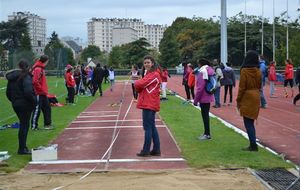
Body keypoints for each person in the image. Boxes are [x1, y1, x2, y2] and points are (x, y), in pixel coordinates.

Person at [6, 60, 36, 154]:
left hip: (16, 104)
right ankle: (22, 148)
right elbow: (28, 92)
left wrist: (14, 101)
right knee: (24, 125)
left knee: (23, 124)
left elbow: (8, 93)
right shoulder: (26, 76)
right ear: (27, 67)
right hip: (25, 104)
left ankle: (22, 147)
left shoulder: (12, 78)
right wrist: (34, 101)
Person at [134, 55, 161, 157]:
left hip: (149, 104)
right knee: (152, 127)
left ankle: (146, 150)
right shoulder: (149, 74)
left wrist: (137, 82)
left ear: (152, 63)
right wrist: (139, 84)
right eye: (145, 63)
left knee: (147, 127)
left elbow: (139, 85)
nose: (146, 64)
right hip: (149, 103)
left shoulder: (154, 75)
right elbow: (141, 87)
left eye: (148, 62)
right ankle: (156, 149)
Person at [236, 50, 261, 152]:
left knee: (248, 123)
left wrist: (238, 99)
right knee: (251, 121)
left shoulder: (244, 71)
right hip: (256, 95)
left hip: (247, 96)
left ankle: (253, 145)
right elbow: (260, 86)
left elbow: (242, 87)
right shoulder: (258, 71)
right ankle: (253, 144)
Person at [193, 59, 215, 140]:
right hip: (209, 94)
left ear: (200, 64)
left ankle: (207, 134)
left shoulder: (202, 71)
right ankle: (207, 133)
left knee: (205, 116)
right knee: (206, 115)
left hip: (203, 97)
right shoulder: (210, 70)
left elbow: (200, 88)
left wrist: (195, 100)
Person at [31, 55, 54, 130]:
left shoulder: (41, 68)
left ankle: (47, 124)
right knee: (37, 109)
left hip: (43, 93)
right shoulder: (38, 69)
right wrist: (41, 90)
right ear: (46, 61)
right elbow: (34, 81)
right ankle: (34, 126)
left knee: (47, 108)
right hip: (38, 93)